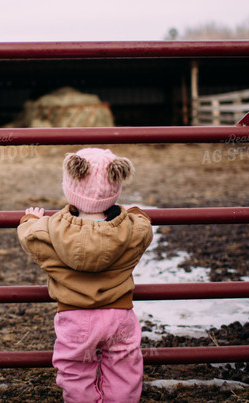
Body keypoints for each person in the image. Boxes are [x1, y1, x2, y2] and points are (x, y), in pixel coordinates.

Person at [17, 147, 153, 402]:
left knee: (76, 371)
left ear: (71, 184)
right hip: (119, 314)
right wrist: (137, 213)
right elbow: (144, 229)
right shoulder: (130, 229)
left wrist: (29, 221)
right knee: (124, 369)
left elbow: (32, 238)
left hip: (75, 316)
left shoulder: (52, 229)